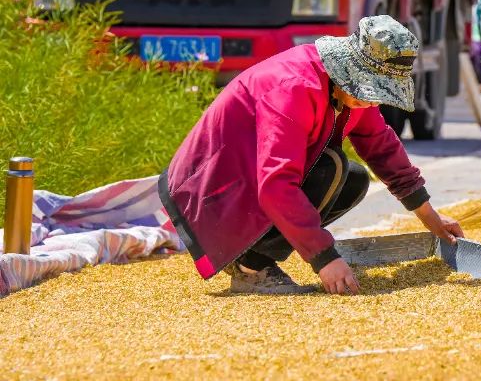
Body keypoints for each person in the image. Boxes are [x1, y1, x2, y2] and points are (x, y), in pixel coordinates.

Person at [158, 15, 464, 295]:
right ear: (347, 69)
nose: (372, 103)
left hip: (249, 182)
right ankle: (252, 268)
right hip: (210, 192)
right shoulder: (293, 88)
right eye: (370, 91)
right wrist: (324, 257)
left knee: (353, 179)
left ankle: (252, 255)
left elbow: (380, 145)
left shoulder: (352, 95)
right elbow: (276, 183)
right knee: (329, 169)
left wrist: (430, 217)